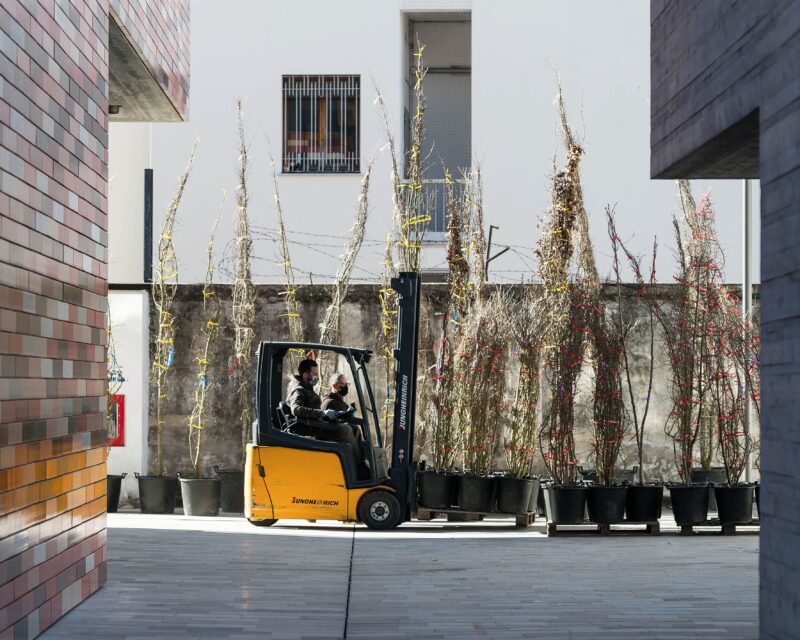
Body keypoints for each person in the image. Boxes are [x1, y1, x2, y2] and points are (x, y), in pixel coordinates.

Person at [286, 359, 365, 473]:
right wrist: (322, 413)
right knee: (346, 430)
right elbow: (296, 409)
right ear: (305, 375)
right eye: (314, 374)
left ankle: (359, 462)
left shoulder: (306, 388)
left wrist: (332, 415)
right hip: (311, 430)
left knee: (354, 428)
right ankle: (358, 469)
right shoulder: (299, 390)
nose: (316, 377)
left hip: (316, 425)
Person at [322, 372, 364, 441]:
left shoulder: (340, 402)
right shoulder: (329, 403)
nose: (345, 386)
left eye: (346, 384)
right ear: (334, 386)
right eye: (342, 384)